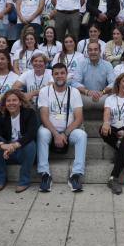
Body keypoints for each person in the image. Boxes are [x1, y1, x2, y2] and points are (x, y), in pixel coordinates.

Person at [37, 63, 87, 193]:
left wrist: (64, 134)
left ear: (66, 75)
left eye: (62, 73)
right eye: (56, 73)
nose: (59, 76)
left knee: (82, 135)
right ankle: (45, 174)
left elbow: (79, 118)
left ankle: (76, 174)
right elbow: (44, 117)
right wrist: (56, 134)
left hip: (69, 131)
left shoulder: (74, 92)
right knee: (41, 133)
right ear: (52, 75)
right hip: (50, 130)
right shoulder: (45, 91)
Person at [0, 89, 38, 192]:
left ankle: (24, 180)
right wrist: (2, 145)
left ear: (20, 102)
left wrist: (14, 146)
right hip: (5, 153)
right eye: (8, 101)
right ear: (5, 103)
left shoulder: (29, 113)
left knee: (30, 144)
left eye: (14, 100)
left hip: (21, 152)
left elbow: (31, 133)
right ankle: (0, 178)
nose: (11, 103)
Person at [72, 41, 116, 108]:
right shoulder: (81, 64)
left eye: (95, 49)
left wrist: (103, 92)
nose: (93, 52)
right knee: (74, 95)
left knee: (113, 96)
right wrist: (87, 92)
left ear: (100, 51)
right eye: (90, 50)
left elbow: (113, 83)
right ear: (87, 52)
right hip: (85, 96)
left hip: (102, 96)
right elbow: (75, 82)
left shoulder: (107, 65)